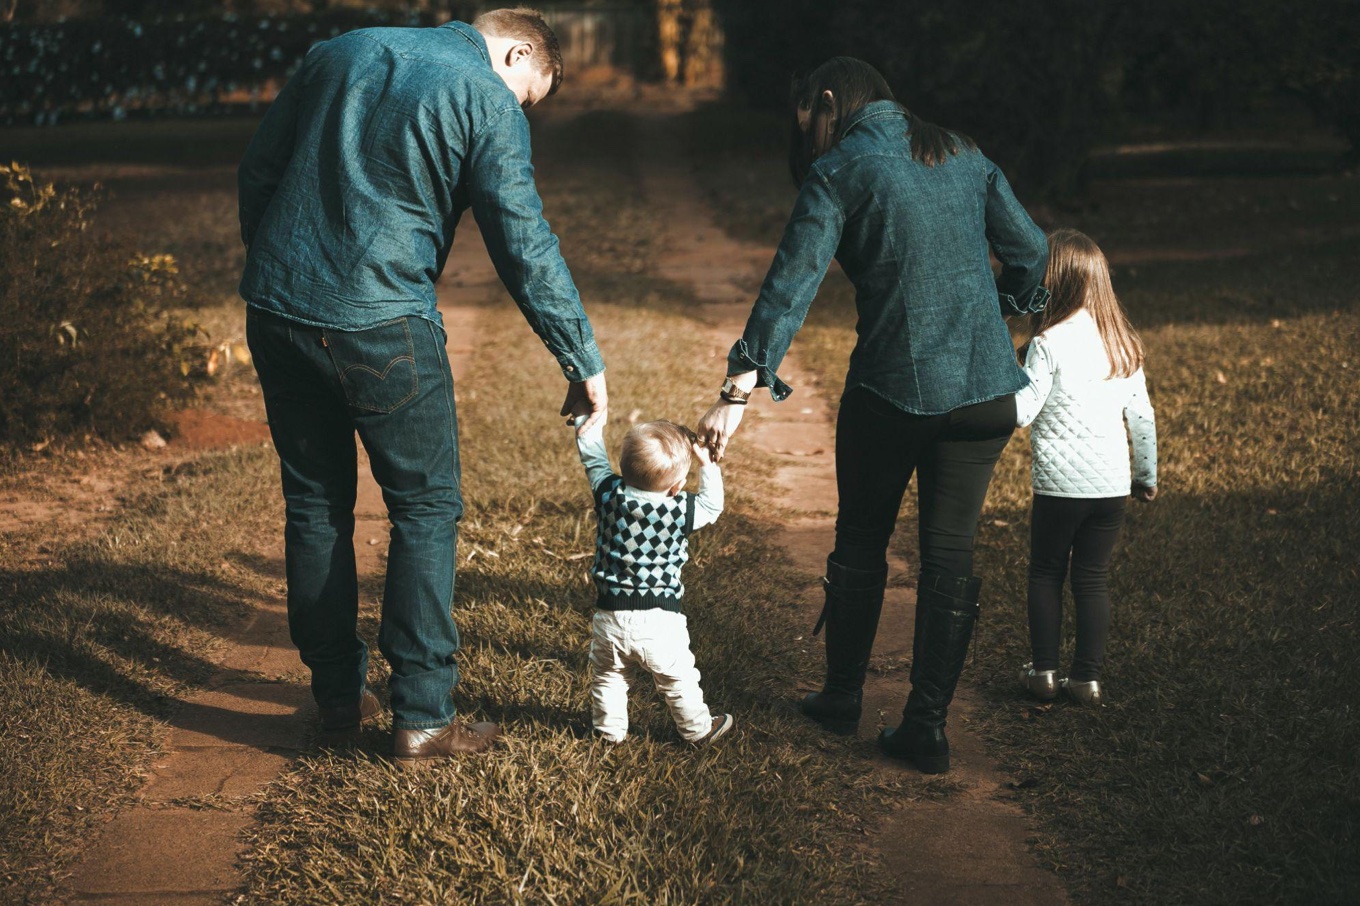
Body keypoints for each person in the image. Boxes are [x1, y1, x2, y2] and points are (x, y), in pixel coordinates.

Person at [238, 8, 608, 768]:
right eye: (528, 94)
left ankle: (338, 697)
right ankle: (425, 716)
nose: (520, 110)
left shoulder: (337, 50)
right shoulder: (485, 97)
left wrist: (282, 274)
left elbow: (259, 170)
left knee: (314, 503)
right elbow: (523, 241)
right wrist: (579, 357)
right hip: (383, 323)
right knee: (426, 507)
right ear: (515, 50)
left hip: (277, 310)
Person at [697, 57, 1049, 774]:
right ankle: (926, 728)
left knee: (861, 539)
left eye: (811, 123)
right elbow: (1033, 252)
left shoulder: (842, 169)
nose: (813, 140)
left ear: (829, 102)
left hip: (892, 393)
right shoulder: (963, 151)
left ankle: (840, 698)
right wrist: (1007, 308)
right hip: (986, 396)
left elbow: (788, 289)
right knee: (950, 554)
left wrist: (736, 394)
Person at [1015, 229, 1158, 707]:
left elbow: (1023, 412)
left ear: (1052, 282)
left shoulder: (1048, 343)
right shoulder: (1123, 344)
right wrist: (1146, 477)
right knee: (1092, 578)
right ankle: (1087, 680)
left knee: (1046, 572)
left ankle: (1044, 675)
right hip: (1111, 487)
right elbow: (1141, 417)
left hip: (1058, 488)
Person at [574, 416, 734, 745]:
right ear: (676, 487)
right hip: (660, 620)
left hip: (609, 617)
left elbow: (592, 457)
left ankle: (608, 733)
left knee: (609, 677)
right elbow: (712, 506)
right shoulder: (681, 509)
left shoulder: (609, 494)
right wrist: (707, 465)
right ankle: (698, 730)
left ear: (623, 467)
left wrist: (587, 420)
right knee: (678, 679)